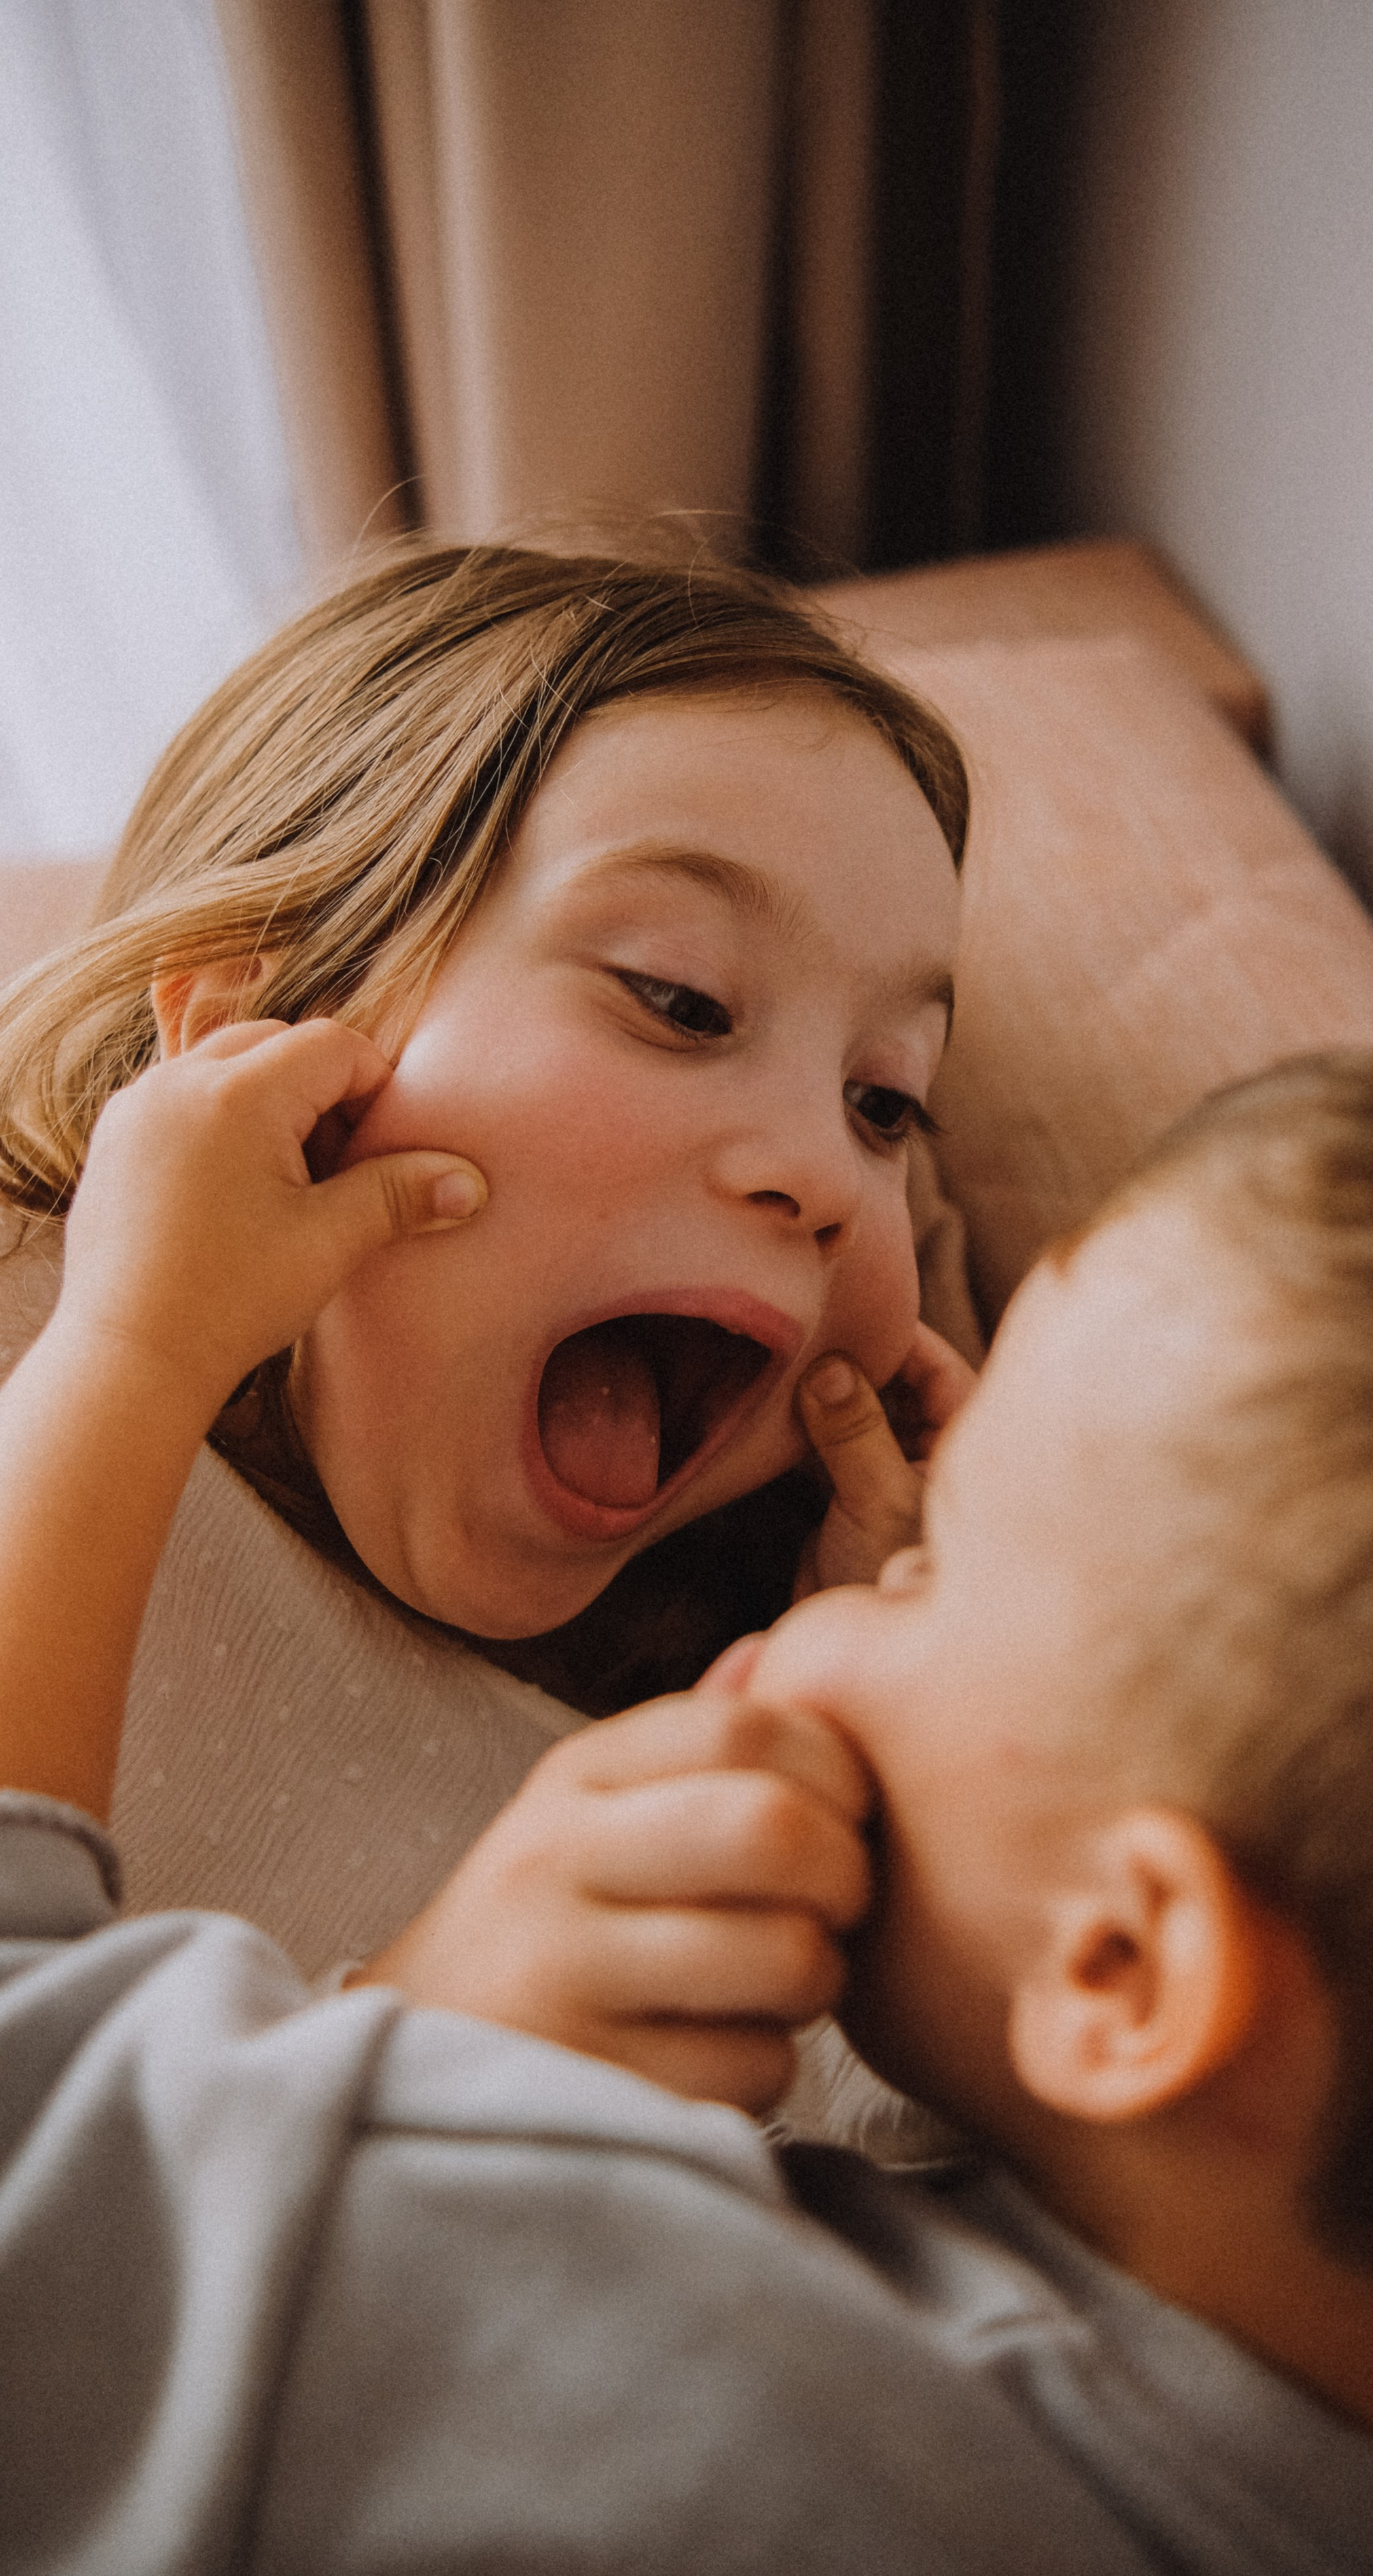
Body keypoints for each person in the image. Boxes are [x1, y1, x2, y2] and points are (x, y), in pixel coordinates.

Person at [11, 1036, 1373, 2570]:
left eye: (932, 1573)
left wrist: (418, 2065)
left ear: (1123, 1974)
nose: (844, 1597)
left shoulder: (677, 2362)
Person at [0, 539, 978, 2012]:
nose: (825, 1174)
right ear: (244, 1043)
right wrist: (133, 1357)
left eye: (885, 1102)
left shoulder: (697, 1713)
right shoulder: (46, 1346)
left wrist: (897, 1713)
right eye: (679, 998)